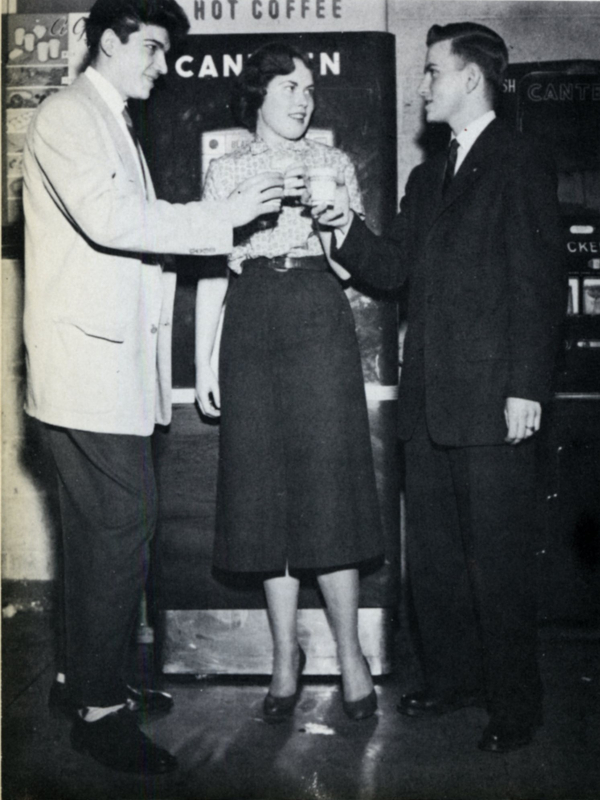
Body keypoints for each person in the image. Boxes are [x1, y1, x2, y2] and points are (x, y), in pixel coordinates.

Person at [22, 0, 284, 774]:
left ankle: (81, 678)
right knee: (118, 529)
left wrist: (215, 240)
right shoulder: (71, 116)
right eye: (153, 48)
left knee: (98, 534)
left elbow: (129, 233)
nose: (162, 65)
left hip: (101, 369)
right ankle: (100, 712)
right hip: (87, 372)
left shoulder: (108, 120)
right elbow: (113, 220)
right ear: (110, 41)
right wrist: (222, 220)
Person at [316, 22, 564, 753]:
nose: (421, 86)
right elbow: (394, 270)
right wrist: (345, 229)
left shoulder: (520, 161)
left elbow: (539, 283)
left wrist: (528, 388)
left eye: (431, 72)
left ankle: (515, 706)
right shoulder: (430, 177)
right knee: (437, 556)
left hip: (494, 400)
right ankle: (453, 679)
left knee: (501, 558)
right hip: (428, 404)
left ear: (470, 79)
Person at [195, 42, 384, 723]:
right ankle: (284, 657)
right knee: (262, 492)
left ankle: (353, 656)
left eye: (308, 89)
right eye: (289, 87)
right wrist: (202, 361)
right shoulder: (226, 170)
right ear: (259, 96)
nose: (302, 99)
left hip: (316, 313)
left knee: (328, 490)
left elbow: (353, 269)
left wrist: (335, 221)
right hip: (249, 321)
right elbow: (214, 268)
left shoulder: (334, 164)